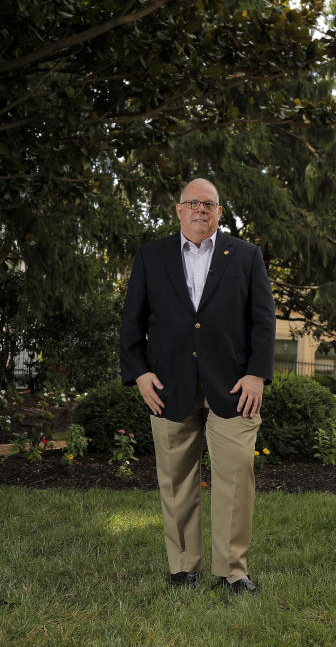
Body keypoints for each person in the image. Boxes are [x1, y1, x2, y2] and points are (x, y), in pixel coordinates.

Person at [120, 178, 275, 593]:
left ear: (219, 213)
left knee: (236, 478)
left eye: (208, 204)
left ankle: (232, 572)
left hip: (234, 386)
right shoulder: (152, 257)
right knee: (175, 477)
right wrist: (139, 372)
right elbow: (132, 321)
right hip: (167, 384)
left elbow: (263, 321)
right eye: (193, 203)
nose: (200, 210)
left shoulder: (245, 256)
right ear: (179, 210)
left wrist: (257, 374)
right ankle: (183, 566)